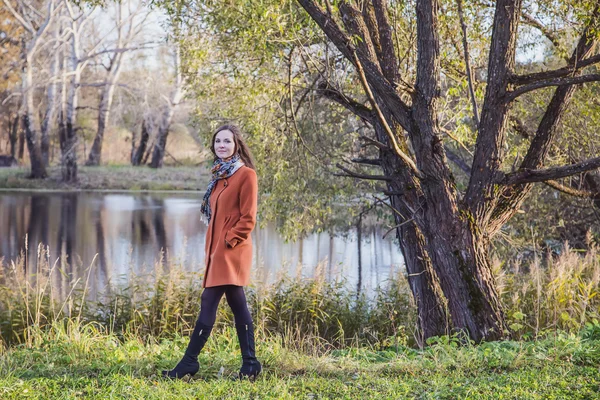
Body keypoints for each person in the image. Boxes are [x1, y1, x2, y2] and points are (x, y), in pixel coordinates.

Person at [162, 124, 261, 380]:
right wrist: (215, 246)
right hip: (216, 250)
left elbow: (248, 218)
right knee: (237, 303)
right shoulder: (219, 176)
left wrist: (228, 241)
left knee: (209, 300)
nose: (222, 145)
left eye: (227, 141)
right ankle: (250, 363)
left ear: (236, 144)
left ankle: (188, 363)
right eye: (218, 141)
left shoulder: (246, 175)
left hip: (232, 250)